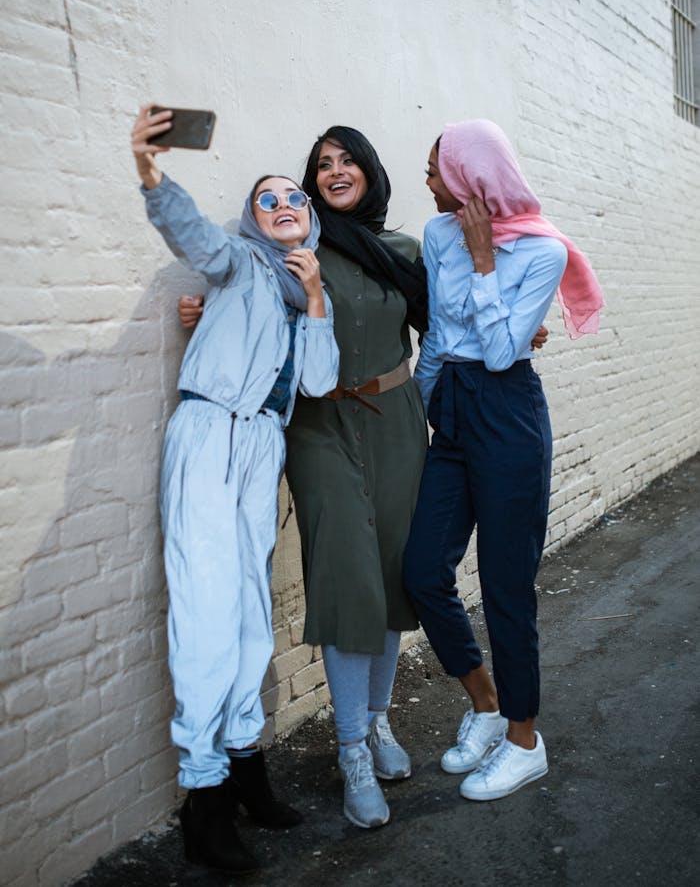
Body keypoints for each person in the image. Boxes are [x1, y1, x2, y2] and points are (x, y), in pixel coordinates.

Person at [180, 125, 429, 829]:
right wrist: (202, 314)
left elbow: (446, 326)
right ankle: (351, 751)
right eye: (323, 164)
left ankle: (377, 724)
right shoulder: (289, 254)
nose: (334, 171)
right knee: (349, 580)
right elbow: (243, 303)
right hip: (320, 430)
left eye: (347, 160)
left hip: (397, 421)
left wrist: (524, 327)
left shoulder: (403, 253)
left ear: (370, 171)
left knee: (390, 577)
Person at [131, 104, 339, 873]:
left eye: (297, 200)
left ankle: (246, 763)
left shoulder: (304, 290)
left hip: (260, 446)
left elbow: (318, 380)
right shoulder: (237, 264)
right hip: (209, 433)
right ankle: (204, 795)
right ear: (253, 222)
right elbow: (193, 238)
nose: (285, 207)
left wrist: (315, 297)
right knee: (207, 609)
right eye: (268, 200)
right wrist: (153, 172)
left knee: (251, 609)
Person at [403, 118, 604, 802]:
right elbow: (437, 333)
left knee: (505, 587)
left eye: (436, 168)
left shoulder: (544, 252)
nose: (427, 180)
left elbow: (498, 352)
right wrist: (431, 404)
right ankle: (484, 703)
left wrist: (486, 262)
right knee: (425, 570)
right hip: (454, 411)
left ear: (468, 175)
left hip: (510, 414)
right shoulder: (435, 235)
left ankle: (525, 740)